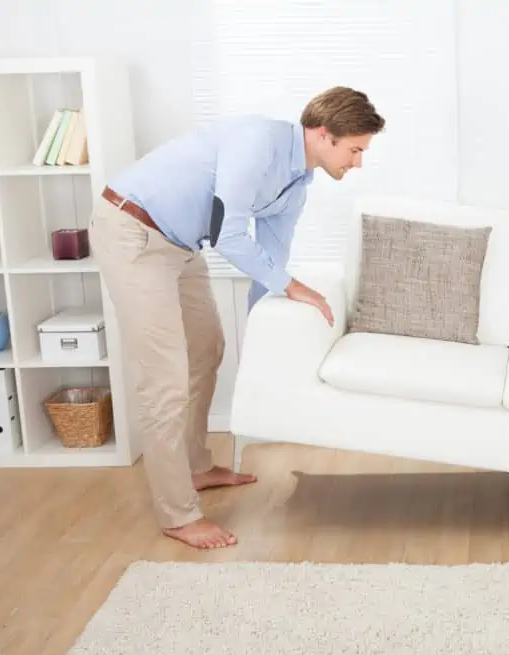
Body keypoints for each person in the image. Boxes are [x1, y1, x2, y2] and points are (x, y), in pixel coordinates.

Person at [88, 87, 385, 550]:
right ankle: (178, 514)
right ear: (324, 135)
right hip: (134, 232)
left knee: (209, 348)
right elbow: (230, 236)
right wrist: (292, 285)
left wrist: (264, 335)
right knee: (163, 379)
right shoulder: (257, 144)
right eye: (355, 150)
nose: (358, 162)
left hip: (181, 245)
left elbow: (269, 261)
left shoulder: (297, 184)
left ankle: (197, 467)